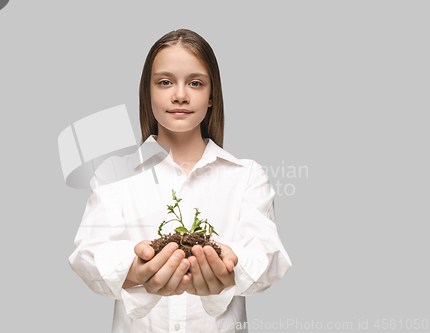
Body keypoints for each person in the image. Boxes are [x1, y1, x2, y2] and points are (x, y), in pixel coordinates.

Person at [68, 29, 292, 333]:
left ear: (212, 96)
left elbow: (270, 257)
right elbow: (86, 255)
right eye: (165, 82)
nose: (180, 95)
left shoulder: (246, 176)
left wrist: (230, 266)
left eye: (196, 83)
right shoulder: (114, 175)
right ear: (148, 93)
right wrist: (135, 269)